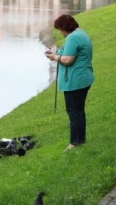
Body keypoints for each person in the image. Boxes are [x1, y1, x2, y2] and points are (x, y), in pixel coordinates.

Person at [45, 14, 94, 150]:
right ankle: (80, 140)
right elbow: (67, 53)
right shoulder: (81, 34)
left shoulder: (73, 37)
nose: (60, 32)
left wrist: (55, 57)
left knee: (73, 112)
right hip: (82, 78)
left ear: (65, 27)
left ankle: (74, 143)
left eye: (60, 29)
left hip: (75, 81)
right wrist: (56, 53)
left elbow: (68, 59)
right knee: (79, 111)